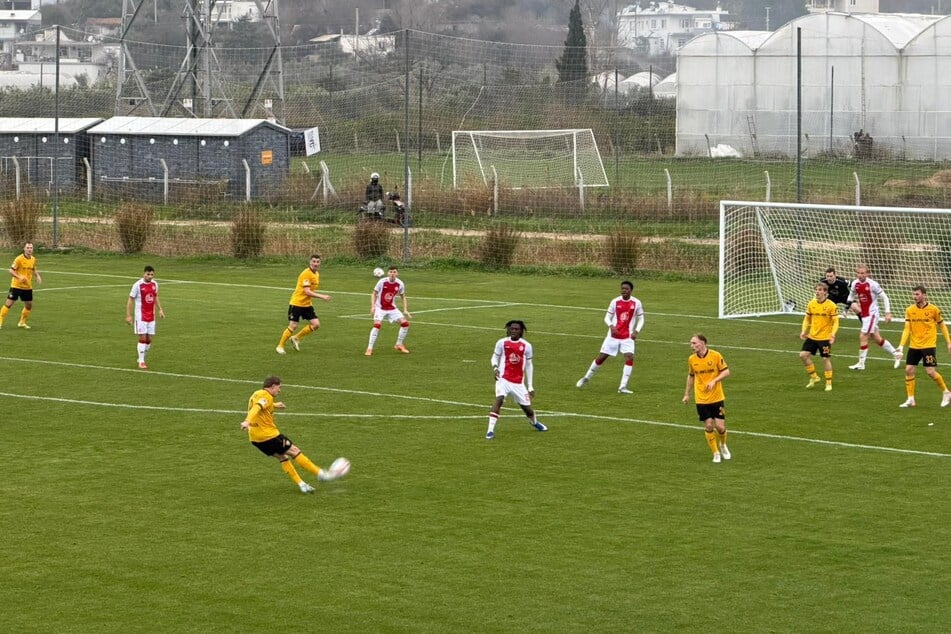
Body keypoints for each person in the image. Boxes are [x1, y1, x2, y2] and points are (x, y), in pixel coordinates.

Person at [240, 376, 342, 493]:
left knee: (282, 457)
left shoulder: (256, 394)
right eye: (279, 387)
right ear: (272, 386)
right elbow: (256, 408)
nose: (280, 390)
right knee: (294, 451)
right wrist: (247, 421)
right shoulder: (266, 396)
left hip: (255, 438)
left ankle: (301, 484)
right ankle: (321, 474)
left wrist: (275, 405)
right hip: (269, 436)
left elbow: (259, 405)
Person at [576, 280, 644, 394]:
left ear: (631, 290)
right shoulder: (615, 301)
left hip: (627, 337)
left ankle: (622, 387)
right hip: (613, 336)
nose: (624, 291)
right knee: (602, 357)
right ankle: (586, 378)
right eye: (622, 288)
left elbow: (642, 318)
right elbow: (607, 317)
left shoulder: (636, 303)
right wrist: (611, 326)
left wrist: (636, 331)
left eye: (626, 289)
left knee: (629, 358)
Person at [486, 320, 547, 440]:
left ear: (521, 331)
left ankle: (534, 422)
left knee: (528, 410)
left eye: (516, 329)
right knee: (499, 399)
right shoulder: (501, 343)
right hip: (503, 379)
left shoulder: (526, 346)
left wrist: (530, 386)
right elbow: (495, 357)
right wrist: (495, 368)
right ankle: (490, 430)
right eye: (511, 329)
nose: (513, 331)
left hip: (518, 382)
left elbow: (529, 365)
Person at [897, 285, 951, 408]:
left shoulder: (933, 310)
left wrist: (949, 342)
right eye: (914, 294)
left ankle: (946, 392)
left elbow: (942, 325)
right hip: (914, 345)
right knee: (908, 370)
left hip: (928, 346)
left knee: (931, 372)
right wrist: (901, 346)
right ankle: (911, 399)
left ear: (924, 295)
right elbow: (907, 329)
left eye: (917, 294)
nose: (914, 297)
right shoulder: (909, 310)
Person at [682, 333, 731, 464]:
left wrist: (714, 381)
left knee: (720, 427)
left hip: (717, 397)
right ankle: (715, 452)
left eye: (694, 343)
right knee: (709, 425)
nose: (692, 346)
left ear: (703, 343)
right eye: (691, 343)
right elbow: (691, 376)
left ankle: (723, 445)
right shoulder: (692, 359)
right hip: (701, 398)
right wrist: (687, 394)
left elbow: (726, 371)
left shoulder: (715, 355)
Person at [846, 264, 903, 370]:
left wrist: (887, 312)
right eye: (858, 273)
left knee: (863, 336)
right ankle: (897, 354)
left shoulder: (873, 284)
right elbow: (851, 295)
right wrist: (847, 307)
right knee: (876, 338)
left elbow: (885, 297)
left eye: (862, 273)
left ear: (868, 273)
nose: (860, 275)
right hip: (865, 315)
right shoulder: (855, 283)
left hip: (872, 314)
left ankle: (861, 363)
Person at [276, 254, 332, 355]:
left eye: (317, 262)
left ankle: (296, 338)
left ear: (320, 263)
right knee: (293, 326)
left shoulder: (316, 274)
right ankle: (280, 346)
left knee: (316, 324)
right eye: (314, 261)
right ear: (310, 262)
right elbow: (307, 291)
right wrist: (322, 296)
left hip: (307, 304)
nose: (315, 264)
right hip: (297, 303)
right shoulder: (306, 273)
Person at [800, 282, 839, 392]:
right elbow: (807, 318)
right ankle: (814, 377)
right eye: (817, 289)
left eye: (820, 290)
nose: (818, 291)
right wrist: (804, 330)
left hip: (825, 338)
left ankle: (828, 383)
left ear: (825, 292)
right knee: (803, 355)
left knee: (825, 359)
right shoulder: (811, 304)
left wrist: (833, 334)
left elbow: (836, 322)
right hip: (812, 336)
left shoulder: (831, 305)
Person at [365, 266, 412, 356]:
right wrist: (373, 307)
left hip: (392, 308)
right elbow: (374, 294)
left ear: (397, 274)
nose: (392, 274)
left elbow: (403, 296)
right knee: (377, 325)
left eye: (394, 272)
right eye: (390, 272)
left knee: (405, 324)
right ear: (387, 273)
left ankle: (399, 344)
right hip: (380, 308)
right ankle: (369, 348)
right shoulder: (382, 282)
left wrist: (405, 309)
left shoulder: (400, 284)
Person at [125, 265, 165, 369]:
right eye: (148, 274)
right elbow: (130, 299)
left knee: (149, 339)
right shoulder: (137, 285)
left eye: (152, 274)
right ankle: (141, 361)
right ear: (144, 274)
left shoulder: (155, 284)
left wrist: (160, 309)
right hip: (140, 316)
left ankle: (141, 357)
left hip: (151, 316)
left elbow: (155, 296)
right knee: (142, 338)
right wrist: (129, 315)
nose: (150, 276)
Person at [1, 242, 42, 330]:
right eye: (27, 248)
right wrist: (19, 277)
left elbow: (33, 268)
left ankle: (22, 322)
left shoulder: (33, 259)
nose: (29, 249)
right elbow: (11, 271)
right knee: (8, 304)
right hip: (16, 286)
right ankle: (0, 321)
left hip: (27, 286)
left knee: (29, 305)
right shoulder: (19, 259)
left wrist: (38, 276)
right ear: (24, 249)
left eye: (31, 248)